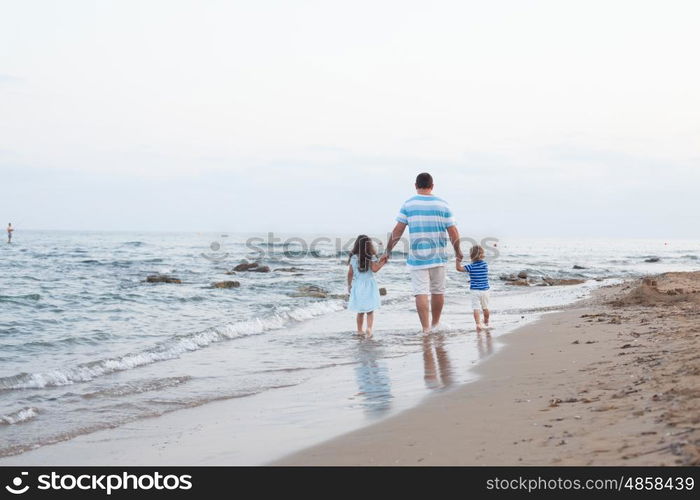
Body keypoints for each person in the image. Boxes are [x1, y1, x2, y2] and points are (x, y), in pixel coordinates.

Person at [385, 173, 462, 334]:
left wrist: (388, 251)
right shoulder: (443, 204)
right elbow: (453, 231)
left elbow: (398, 230)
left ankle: (426, 329)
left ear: (415, 185)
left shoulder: (408, 204)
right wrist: (458, 251)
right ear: (432, 186)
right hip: (438, 255)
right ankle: (435, 324)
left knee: (420, 292)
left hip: (418, 257)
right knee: (438, 291)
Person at [347, 234, 387, 336]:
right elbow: (374, 269)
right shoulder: (371, 256)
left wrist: (349, 285)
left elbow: (350, 273)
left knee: (360, 311)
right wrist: (382, 263)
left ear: (357, 245)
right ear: (369, 245)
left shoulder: (354, 257)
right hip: (369, 284)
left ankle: (359, 330)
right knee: (370, 310)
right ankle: (369, 328)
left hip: (358, 284)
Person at [456, 244, 491, 332]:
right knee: (485, 307)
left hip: (475, 290)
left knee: (476, 308)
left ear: (471, 256)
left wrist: (458, 260)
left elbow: (459, 269)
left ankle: (478, 324)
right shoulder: (485, 265)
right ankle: (486, 321)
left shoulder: (471, 266)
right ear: (482, 255)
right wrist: (472, 279)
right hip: (485, 290)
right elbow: (481, 275)